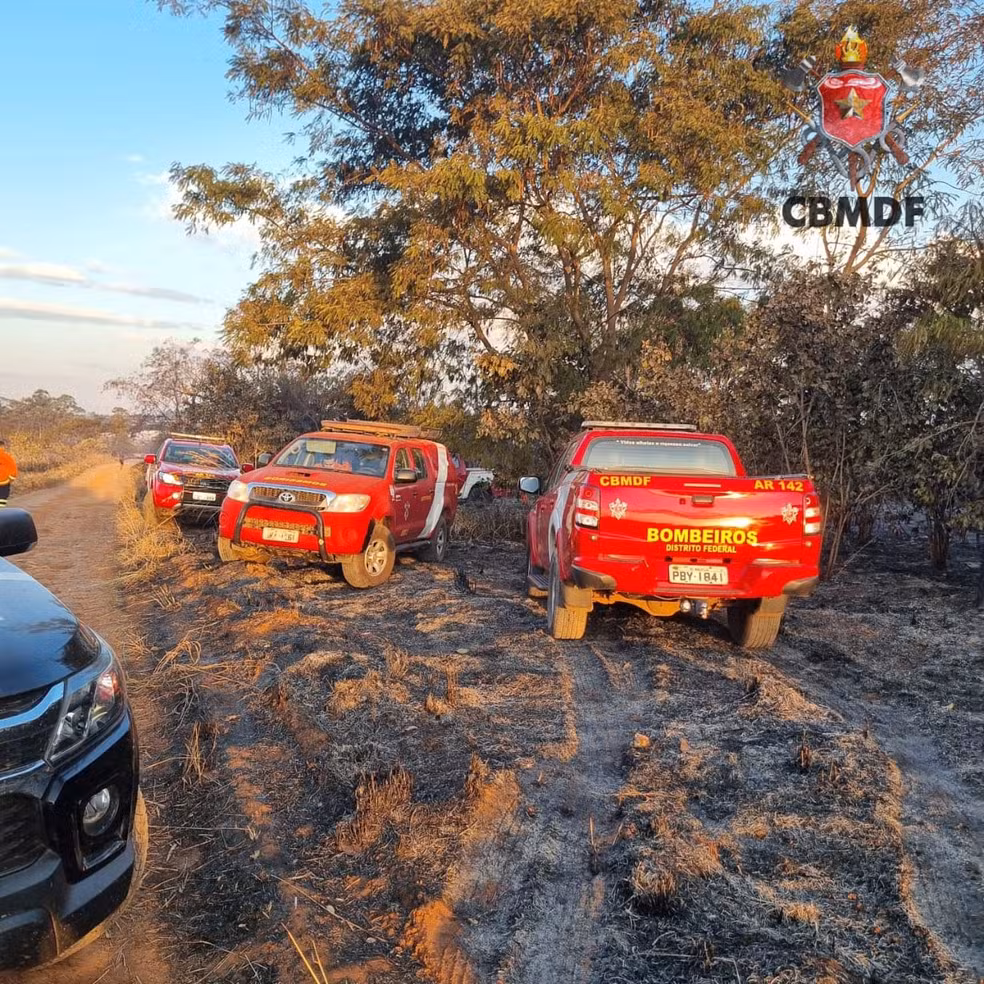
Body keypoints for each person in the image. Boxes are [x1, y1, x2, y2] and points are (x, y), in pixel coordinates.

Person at [0, 438, 18, 508]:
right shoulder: (7, 457)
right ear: (2, 447)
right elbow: (13, 469)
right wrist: (10, 479)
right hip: (4, 481)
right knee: (2, 497)